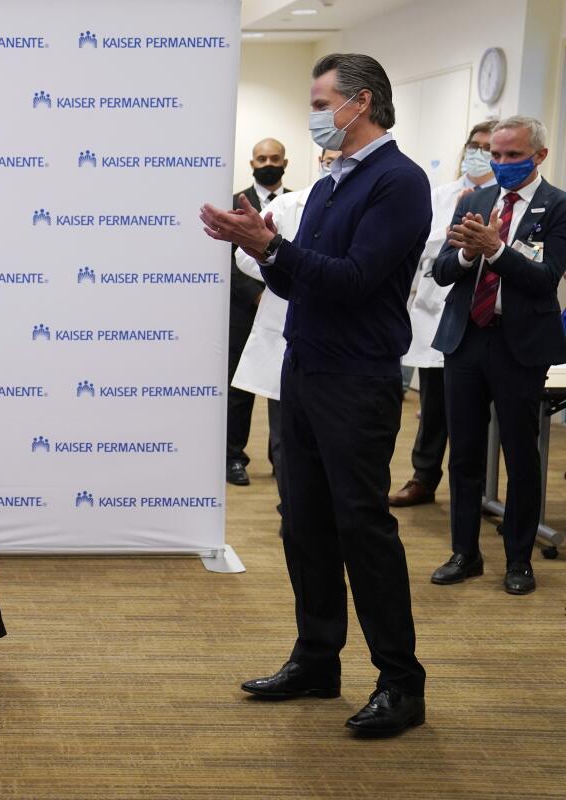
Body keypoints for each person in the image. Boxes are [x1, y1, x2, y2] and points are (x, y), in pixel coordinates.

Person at [200, 53, 430, 737]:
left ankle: (400, 681)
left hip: (356, 379)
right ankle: (317, 658)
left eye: (321, 101)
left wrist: (272, 248)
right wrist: (264, 249)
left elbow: (356, 279)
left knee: (362, 526)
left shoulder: (398, 181)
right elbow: (303, 284)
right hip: (301, 371)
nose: (315, 116)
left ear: (360, 103)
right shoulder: (332, 184)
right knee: (303, 522)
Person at [429, 115, 566, 595]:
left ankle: (518, 560)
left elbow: (547, 278)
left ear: (539, 156)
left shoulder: (558, 207)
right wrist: (468, 255)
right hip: (467, 339)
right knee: (463, 454)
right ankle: (465, 553)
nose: (502, 163)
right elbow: (443, 270)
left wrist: (497, 250)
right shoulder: (476, 200)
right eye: (497, 155)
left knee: (520, 456)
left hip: (519, 345)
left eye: (513, 155)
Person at [232, 148, 339, 536]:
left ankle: (318, 509)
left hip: (345, 344)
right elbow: (247, 258)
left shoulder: (374, 201)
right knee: (285, 432)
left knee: (330, 437)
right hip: (288, 329)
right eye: (331, 154)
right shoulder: (292, 204)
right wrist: (276, 259)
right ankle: (290, 509)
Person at [391, 121, 497, 508]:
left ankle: (479, 488)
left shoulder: (507, 198)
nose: (479, 152)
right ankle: (424, 477)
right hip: (438, 309)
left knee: (478, 408)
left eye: (489, 146)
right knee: (434, 403)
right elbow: (420, 243)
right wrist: (457, 215)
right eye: (474, 144)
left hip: (486, 312)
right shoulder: (442, 195)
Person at [227, 138, 291, 486]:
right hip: (243, 311)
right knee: (239, 390)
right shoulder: (236, 203)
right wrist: (257, 295)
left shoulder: (300, 201)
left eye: (274, 158)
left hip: (285, 312)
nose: (268, 163)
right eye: (261, 158)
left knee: (282, 388)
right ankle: (234, 457)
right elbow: (228, 261)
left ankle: (281, 459)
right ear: (252, 163)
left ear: (285, 162)